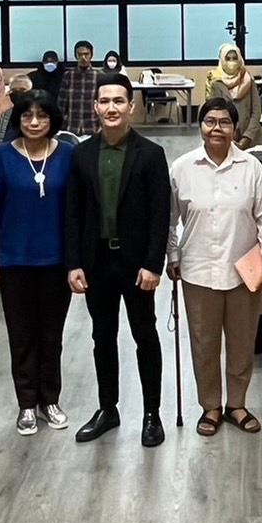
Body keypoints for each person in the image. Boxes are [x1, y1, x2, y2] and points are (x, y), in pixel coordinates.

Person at [65, 73, 170, 448]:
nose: (111, 107)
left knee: (145, 336)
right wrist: (73, 263)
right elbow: (73, 213)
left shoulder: (151, 154)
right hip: (97, 262)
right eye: (105, 101)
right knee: (102, 337)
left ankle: (151, 413)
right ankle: (108, 409)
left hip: (136, 264)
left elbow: (160, 214)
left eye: (118, 101)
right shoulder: (81, 155)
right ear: (95, 106)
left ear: (131, 106)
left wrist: (153, 264)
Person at [167, 99, 262, 436]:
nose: (217, 128)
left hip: (243, 271)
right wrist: (172, 256)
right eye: (210, 121)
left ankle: (237, 404)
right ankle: (211, 406)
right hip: (197, 270)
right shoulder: (182, 168)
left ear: (235, 128)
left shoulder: (251, 167)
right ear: (200, 126)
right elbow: (169, 220)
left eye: (225, 122)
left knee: (242, 342)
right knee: (204, 343)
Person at [0, 89, 74, 435]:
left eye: (42, 116)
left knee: (52, 335)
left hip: (56, 261)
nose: (34, 122)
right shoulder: (1, 157)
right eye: (27, 115)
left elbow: (77, 209)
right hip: (14, 260)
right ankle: (27, 404)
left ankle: (50, 400)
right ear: (18, 119)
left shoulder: (67, 155)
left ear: (52, 120)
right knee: (22, 335)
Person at [205, 43, 262, 150]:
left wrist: (247, 138)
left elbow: (256, 111)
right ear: (222, 60)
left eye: (235, 58)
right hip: (225, 140)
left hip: (252, 141)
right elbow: (215, 114)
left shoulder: (248, 80)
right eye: (228, 58)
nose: (232, 62)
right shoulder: (216, 83)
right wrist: (230, 138)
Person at [55, 40, 100, 135]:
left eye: (86, 54)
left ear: (91, 55)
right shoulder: (68, 75)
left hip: (93, 127)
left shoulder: (99, 75)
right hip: (71, 126)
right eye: (80, 54)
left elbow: (103, 102)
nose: (83, 58)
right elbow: (61, 103)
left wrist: (101, 125)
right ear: (76, 56)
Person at [0, 73, 34, 152]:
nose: (18, 93)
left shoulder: (39, 115)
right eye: (14, 90)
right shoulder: (4, 116)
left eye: (22, 90)